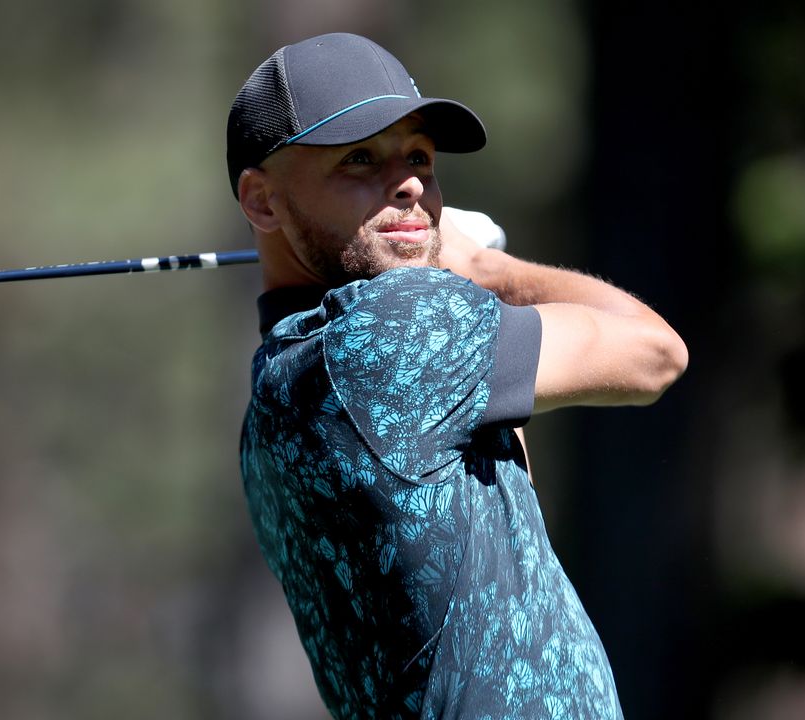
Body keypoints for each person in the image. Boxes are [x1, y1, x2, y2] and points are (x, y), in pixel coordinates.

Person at [231, 33, 688, 719]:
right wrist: (490, 273)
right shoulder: (396, 328)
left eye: (418, 156)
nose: (410, 183)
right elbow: (655, 354)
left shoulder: (273, 398)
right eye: (360, 158)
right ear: (262, 201)